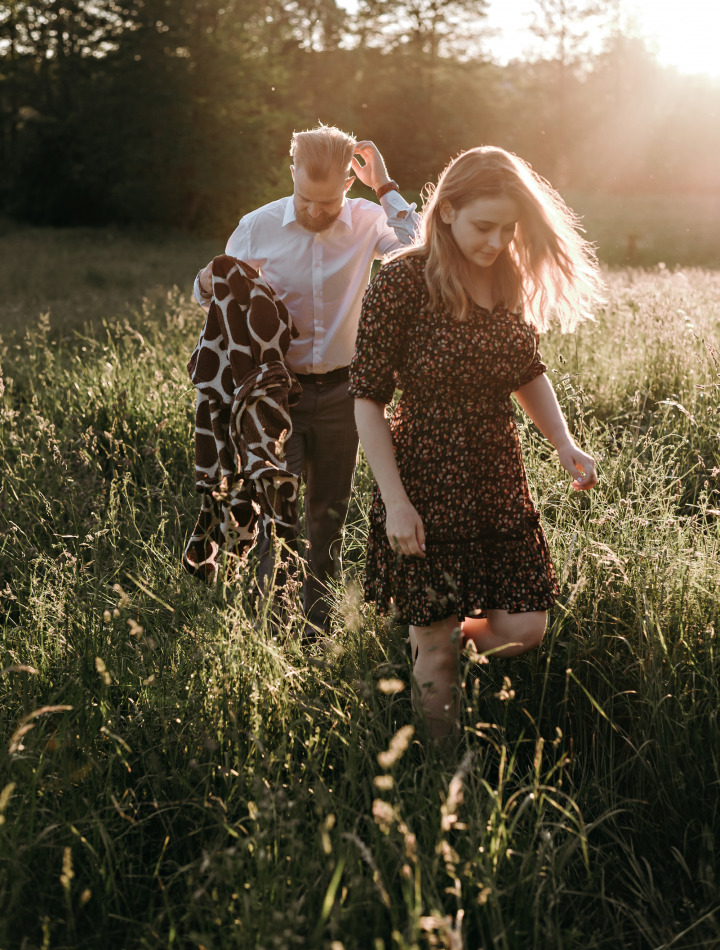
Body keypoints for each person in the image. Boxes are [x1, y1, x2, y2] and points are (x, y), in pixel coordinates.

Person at [349, 145, 606, 740]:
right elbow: (367, 399)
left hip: (496, 477)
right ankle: (442, 786)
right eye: (483, 226)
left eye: (508, 228)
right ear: (445, 213)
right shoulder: (403, 282)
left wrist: (563, 443)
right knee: (437, 650)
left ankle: (424, 649)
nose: (496, 241)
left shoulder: (505, 277)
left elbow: (527, 370)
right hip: (423, 479)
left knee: (524, 628)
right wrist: (396, 501)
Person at [194, 125, 416, 635]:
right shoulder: (257, 226)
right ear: (290, 171)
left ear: (348, 182)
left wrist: (384, 185)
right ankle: (273, 632)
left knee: (328, 517)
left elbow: (419, 246)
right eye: (306, 199)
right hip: (274, 396)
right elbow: (210, 292)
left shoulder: (367, 220)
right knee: (280, 516)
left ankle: (316, 633)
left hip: (346, 394)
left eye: (328, 201)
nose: (316, 212)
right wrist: (207, 279)